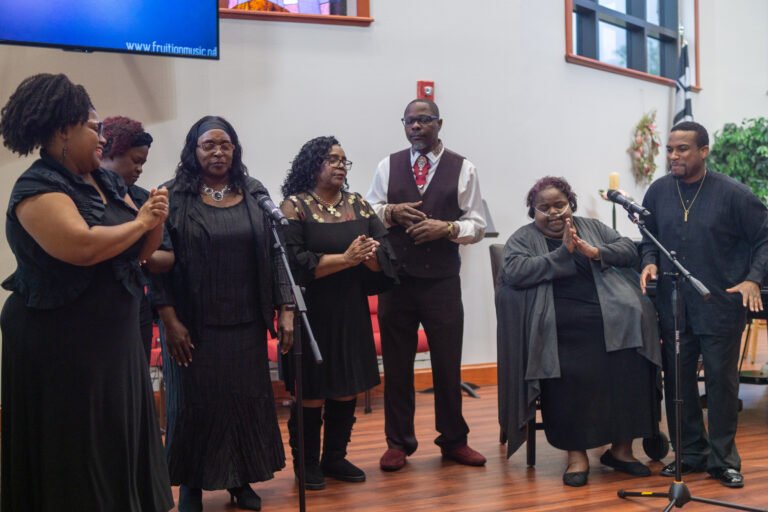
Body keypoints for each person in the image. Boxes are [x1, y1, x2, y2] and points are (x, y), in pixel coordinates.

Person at [0, 73, 173, 511]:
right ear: (64, 130)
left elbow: (138, 254)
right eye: (94, 129)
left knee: (117, 446)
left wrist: (155, 220)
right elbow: (81, 247)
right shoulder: (38, 188)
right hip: (63, 344)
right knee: (77, 455)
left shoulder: (107, 182)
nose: (103, 138)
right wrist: (141, 221)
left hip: (114, 342)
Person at [153, 116, 293, 511]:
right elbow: (156, 265)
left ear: (235, 149)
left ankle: (239, 479)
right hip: (191, 325)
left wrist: (286, 308)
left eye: (225, 145)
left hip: (245, 323)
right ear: (193, 151)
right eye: (208, 145)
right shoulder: (172, 195)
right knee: (193, 406)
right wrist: (169, 321)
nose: (218, 152)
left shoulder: (253, 193)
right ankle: (191, 485)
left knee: (243, 403)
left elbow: (276, 254)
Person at [496, 176, 661, 487]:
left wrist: (595, 251)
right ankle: (577, 456)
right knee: (568, 365)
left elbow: (628, 249)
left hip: (612, 315)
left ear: (570, 205)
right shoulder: (523, 238)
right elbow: (514, 271)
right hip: (558, 324)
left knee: (632, 357)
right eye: (544, 207)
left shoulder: (592, 227)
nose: (553, 212)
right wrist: (562, 253)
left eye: (560, 205)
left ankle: (622, 451)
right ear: (533, 211)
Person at [639, 121, 768, 488]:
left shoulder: (734, 194)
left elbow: (764, 237)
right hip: (673, 304)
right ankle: (689, 453)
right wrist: (649, 260)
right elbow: (648, 236)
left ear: (704, 151)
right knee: (678, 383)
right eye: (670, 149)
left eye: (682, 149)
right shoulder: (658, 191)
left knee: (720, 385)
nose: (673, 156)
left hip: (720, 303)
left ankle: (723, 459)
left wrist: (753, 278)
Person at [366, 99, 487, 471]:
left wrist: (446, 228)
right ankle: (398, 443)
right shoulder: (387, 165)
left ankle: (454, 441)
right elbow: (369, 211)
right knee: (397, 367)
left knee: (447, 364)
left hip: (442, 283)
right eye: (409, 121)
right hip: (395, 281)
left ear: (439, 123)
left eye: (423, 120)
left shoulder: (463, 168)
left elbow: (477, 224)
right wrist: (391, 211)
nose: (416, 127)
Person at [279, 136, 397, 490]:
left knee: (346, 387)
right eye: (332, 159)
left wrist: (371, 257)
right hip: (310, 311)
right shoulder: (295, 206)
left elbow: (386, 255)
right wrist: (346, 259)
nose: (340, 165)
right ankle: (306, 464)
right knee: (312, 391)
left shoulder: (358, 204)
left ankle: (334, 457)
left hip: (350, 308)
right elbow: (293, 264)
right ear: (312, 164)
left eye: (344, 161)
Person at [101, 116, 173, 362]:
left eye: (143, 163)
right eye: (135, 161)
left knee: (137, 370)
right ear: (110, 152)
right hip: (97, 300)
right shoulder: (86, 194)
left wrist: (134, 254)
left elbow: (167, 257)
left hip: (135, 299)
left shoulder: (143, 198)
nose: (140, 169)